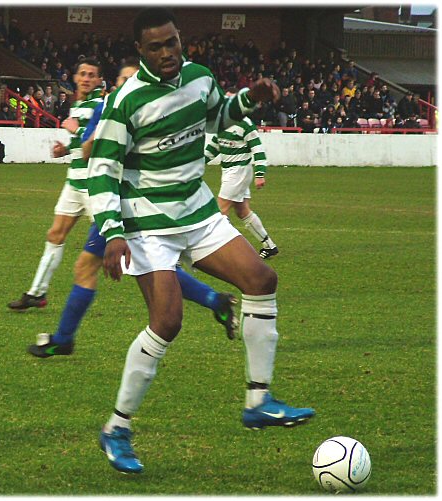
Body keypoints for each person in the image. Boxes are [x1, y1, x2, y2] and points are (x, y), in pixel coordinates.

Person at [88, 8, 314, 474]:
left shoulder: (200, 77)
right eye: (157, 47)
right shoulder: (125, 102)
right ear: (140, 51)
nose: (168, 53)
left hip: (196, 209)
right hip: (146, 222)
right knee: (167, 322)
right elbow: (102, 172)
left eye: (172, 42)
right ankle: (117, 428)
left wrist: (250, 98)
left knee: (261, 277)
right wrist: (112, 234)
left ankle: (259, 401)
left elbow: (220, 116)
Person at [27, 59, 238, 358]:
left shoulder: (114, 108)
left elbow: (91, 152)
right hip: (131, 199)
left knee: (97, 267)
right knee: (146, 267)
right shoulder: (130, 105)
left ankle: (63, 338)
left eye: (131, 78)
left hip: (122, 202)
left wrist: (78, 134)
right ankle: (215, 301)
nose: (126, 84)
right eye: (122, 79)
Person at [7, 58, 104, 311]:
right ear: (74, 77)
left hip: (94, 183)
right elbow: (81, 146)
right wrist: (66, 150)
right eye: (82, 73)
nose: (85, 78)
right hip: (74, 181)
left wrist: (75, 132)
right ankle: (36, 293)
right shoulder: (78, 104)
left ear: (98, 80)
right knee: (55, 234)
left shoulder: (100, 105)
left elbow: (100, 144)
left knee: (116, 240)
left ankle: (170, 269)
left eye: (91, 75)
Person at [205, 116, 278, 259]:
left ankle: (225, 251)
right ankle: (269, 245)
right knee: (242, 211)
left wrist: (260, 174)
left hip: (239, 171)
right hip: (228, 171)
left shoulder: (245, 124)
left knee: (220, 211)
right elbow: (214, 147)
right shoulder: (220, 122)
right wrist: (195, 163)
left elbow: (258, 150)